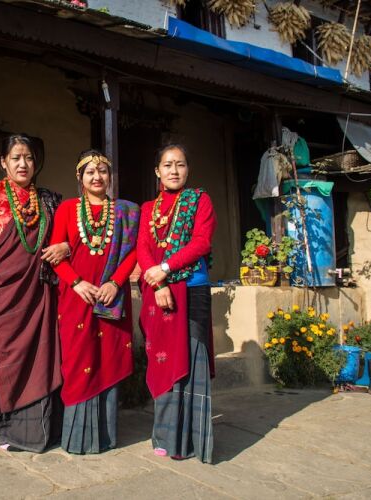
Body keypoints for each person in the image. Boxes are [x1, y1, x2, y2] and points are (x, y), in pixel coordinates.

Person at [0, 134, 67, 452]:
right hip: (2, 295)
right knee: (3, 362)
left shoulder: (49, 200)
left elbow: (67, 236)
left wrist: (65, 246)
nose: (23, 164)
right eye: (15, 158)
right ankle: (6, 432)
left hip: (38, 294)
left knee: (41, 359)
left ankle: (41, 432)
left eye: (28, 157)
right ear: (3, 162)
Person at [50, 150, 139, 454]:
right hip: (77, 298)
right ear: (80, 177)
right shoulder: (67, 209)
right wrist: (77, 283)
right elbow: (55, 257)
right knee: (78, 362)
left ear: (110, 176)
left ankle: (106, 436)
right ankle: (77, 438)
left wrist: (115, 282)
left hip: (112, 297)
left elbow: (133, 253)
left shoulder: (126, 212)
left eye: (102, 171)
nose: (97, 177)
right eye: (90, 172)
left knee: (108, 359)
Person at [137, 144, 216, 463]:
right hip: (160, 291)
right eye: (167, 165)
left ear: (187, 169)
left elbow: (201, 242)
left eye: (180, 164)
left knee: (192, 359)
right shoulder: (148, 209)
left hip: (193, 289)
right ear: (157, 170)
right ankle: (167, 435)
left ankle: (193, 440)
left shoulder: (200, 200)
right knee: (164, 360)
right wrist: (158, 282)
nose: (174, 170)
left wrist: (166, 268)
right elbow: (143, 248)